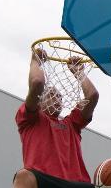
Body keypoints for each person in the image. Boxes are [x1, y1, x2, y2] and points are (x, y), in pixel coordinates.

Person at [13, 48, 99, 188]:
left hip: (76, 183)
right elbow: (37, 83)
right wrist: (35, 62)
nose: (57, 98)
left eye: (59, 97)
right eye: (52, 94)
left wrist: (79, 72)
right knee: (24, 176)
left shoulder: (72, 123)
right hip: (45, 180)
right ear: (40, 101)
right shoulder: (29, 119)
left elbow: (92, 96)